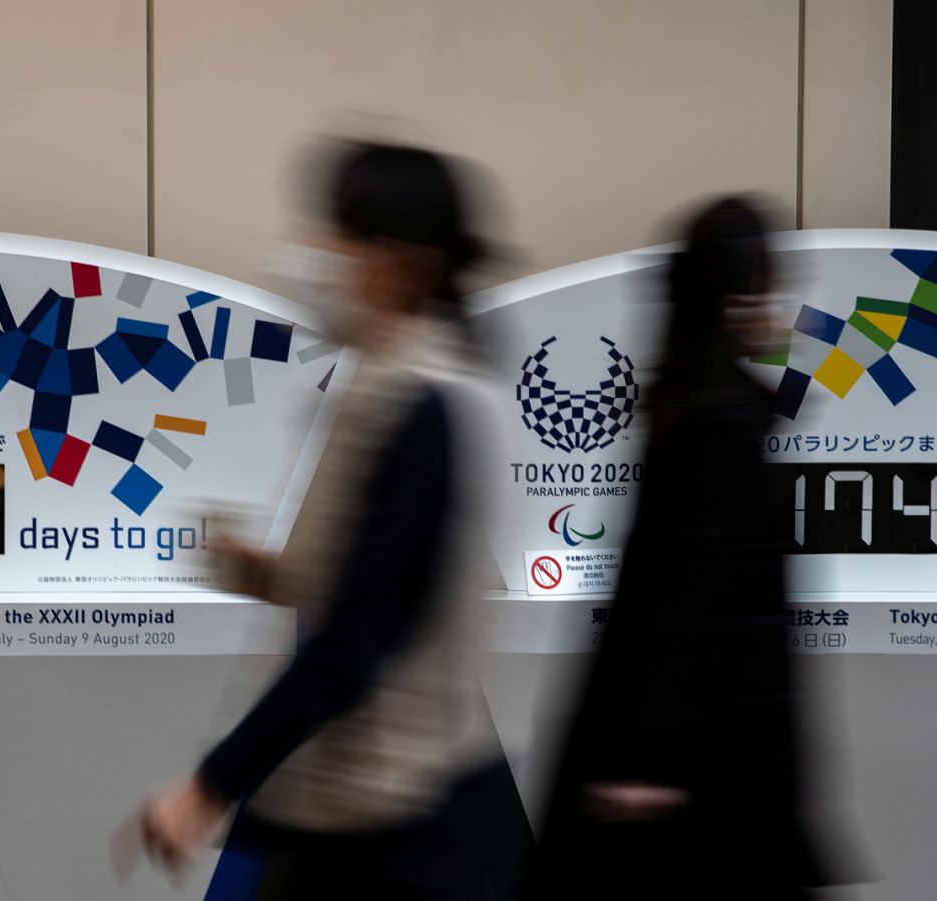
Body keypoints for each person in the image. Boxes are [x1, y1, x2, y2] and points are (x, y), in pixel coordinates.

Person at [137, 141, 517, 899]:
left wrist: (210, 784)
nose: (315, 256)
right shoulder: (395, 380)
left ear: (404, 261)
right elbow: (367, 580)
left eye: (339, 235)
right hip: (360, 799)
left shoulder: (418, 399)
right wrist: (267, 571)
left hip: (382, 809)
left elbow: (357, 636)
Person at [526, 197, 830, 899]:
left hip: (684, 762)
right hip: (708, 771)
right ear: (736, 296)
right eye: (765, 289)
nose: (776, 310)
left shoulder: (690, 413)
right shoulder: (721, 428)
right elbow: (691, 606)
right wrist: (646, 758)